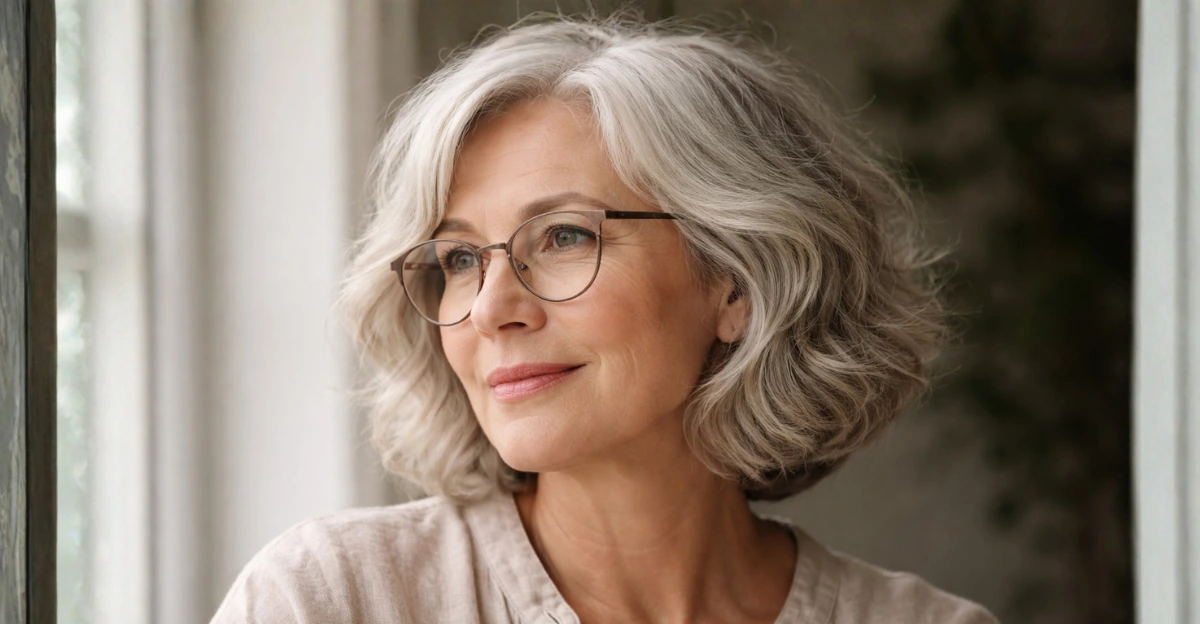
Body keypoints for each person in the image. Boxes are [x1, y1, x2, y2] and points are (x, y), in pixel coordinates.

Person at [212, 12, 998, 624]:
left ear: (736, 281)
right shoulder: (335, 599)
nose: (490, 310)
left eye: (563, 237)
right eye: (457, 260)